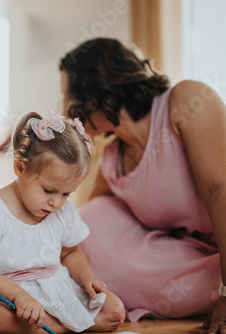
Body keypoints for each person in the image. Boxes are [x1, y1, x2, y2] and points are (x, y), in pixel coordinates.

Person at [59, 37, 226, 332]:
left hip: (220, 260)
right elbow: (77, 232)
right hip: (188, 257)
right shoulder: (112, 158)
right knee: (84, 223)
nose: (67, 110)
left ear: (98, 89)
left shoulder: (185, 100)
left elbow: (221, 190)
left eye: (70, 96)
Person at [0, 110, 126, 334]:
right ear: (20, 167)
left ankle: (59, 325)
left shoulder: (60, 211)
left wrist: (87, 278)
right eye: (49, 190)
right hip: (11, 296)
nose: (56, 203)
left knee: (116, 307)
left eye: (66, 194)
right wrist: (17, 295)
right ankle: (74, 325)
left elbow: (70, 253)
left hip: (57, 288)